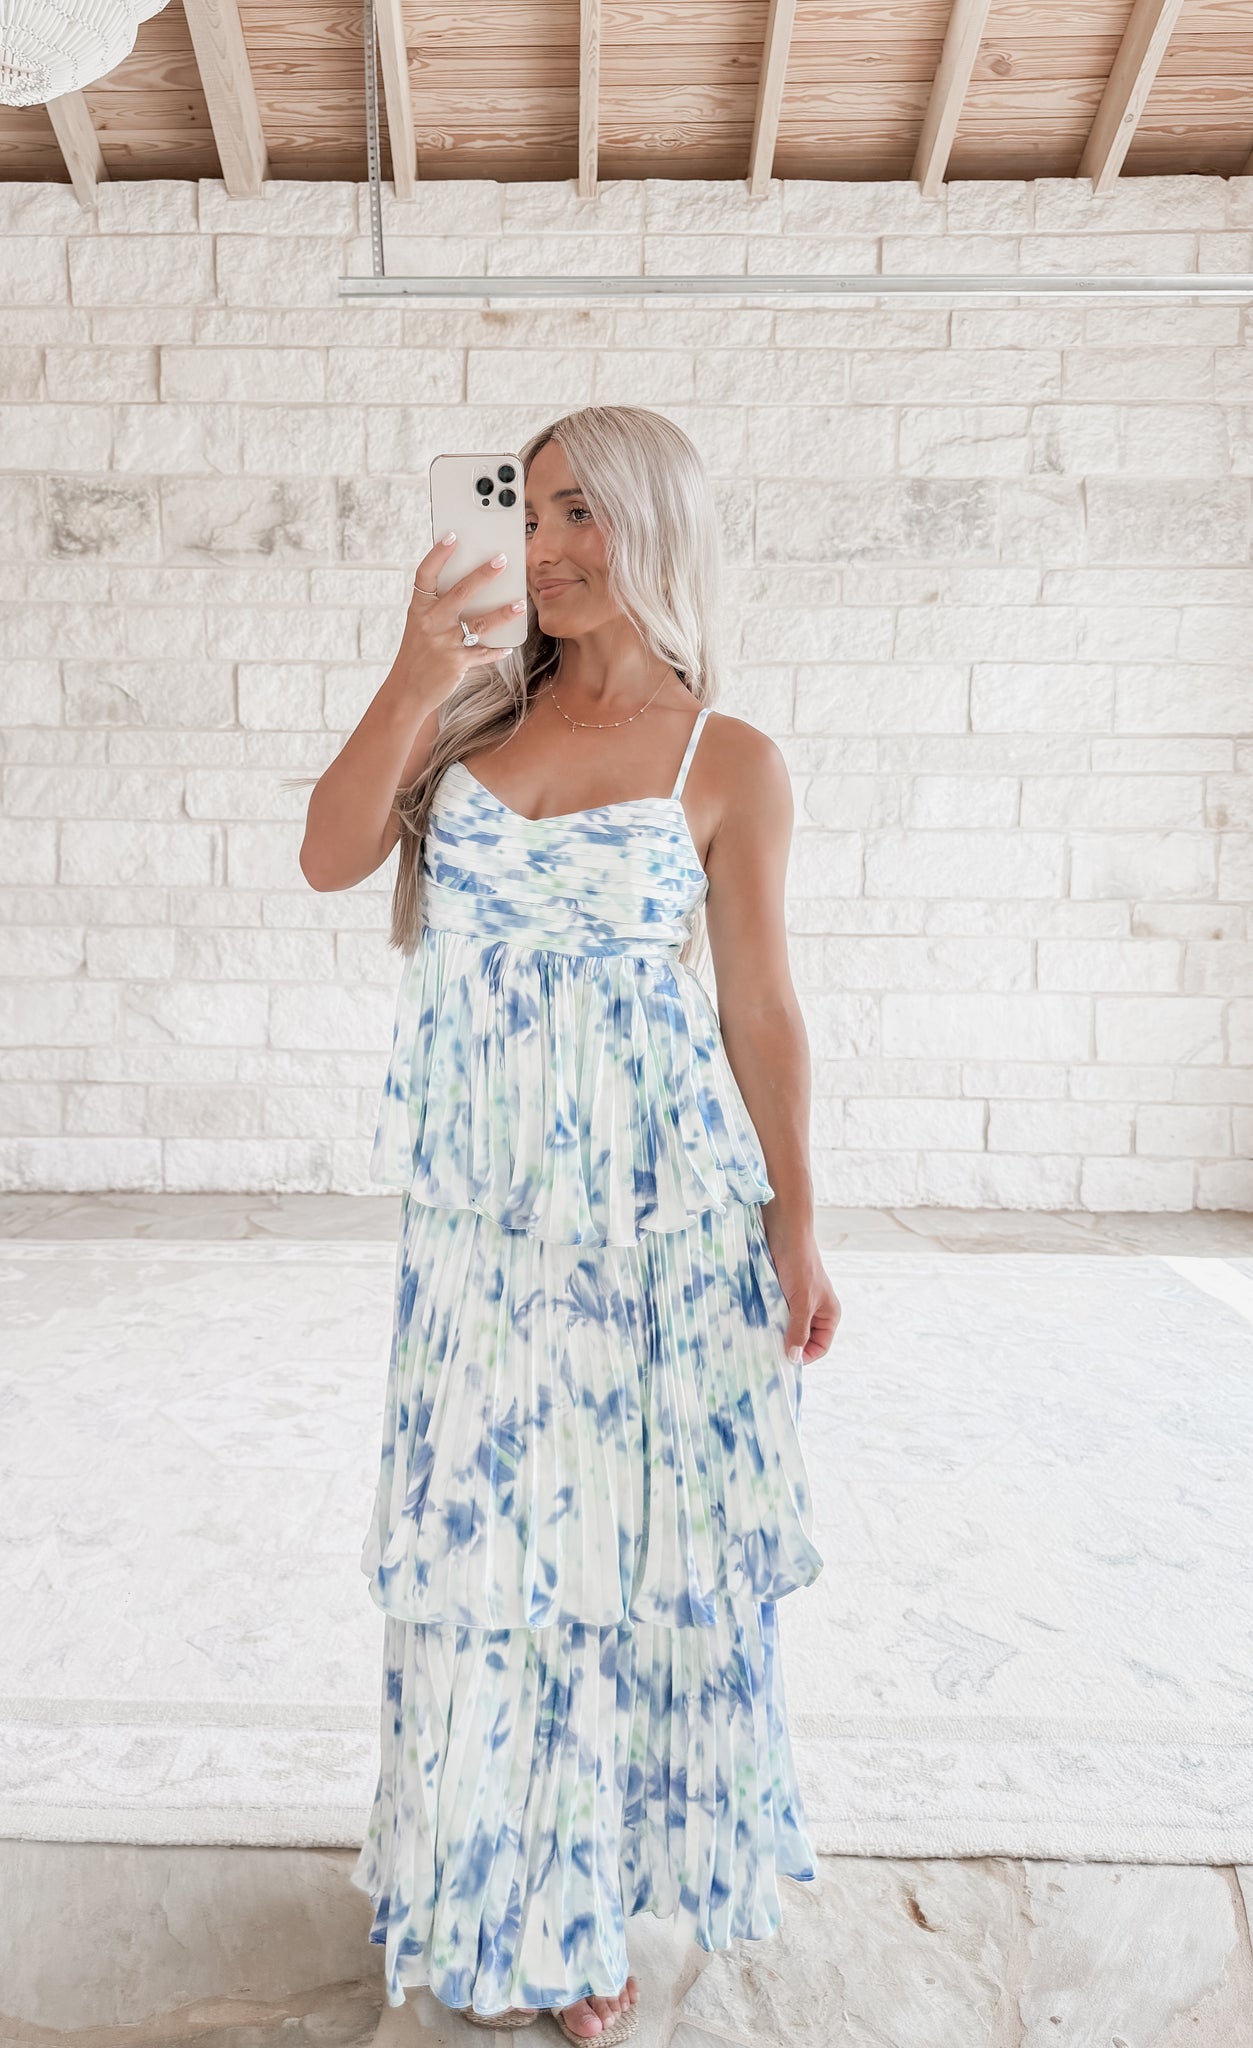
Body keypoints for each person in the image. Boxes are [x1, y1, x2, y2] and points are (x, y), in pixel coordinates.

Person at [299, 404, 841, 2035]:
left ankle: (584, 1909)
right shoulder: (468, 718)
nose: (544, 549)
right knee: (488, 1560)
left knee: (614, 1564)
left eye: (582, 513)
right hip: (480, 1237)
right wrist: (413, 670)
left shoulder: (724, 761)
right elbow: (328, 856)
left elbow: (759, 1007)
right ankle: (496, 1890)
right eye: (528, 512)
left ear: (657, 522)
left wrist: (796, 1224)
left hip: (655, 1231)